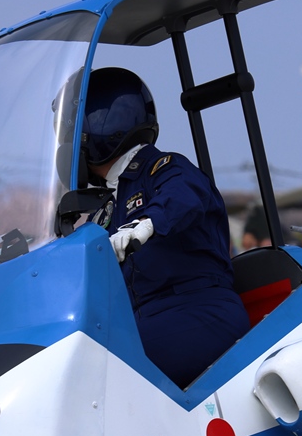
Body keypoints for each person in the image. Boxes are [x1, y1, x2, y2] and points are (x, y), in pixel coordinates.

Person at [81, 67, 249, 388]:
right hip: (144, 321)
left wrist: (146, 225)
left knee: (98, 366)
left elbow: (184, 194)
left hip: (198, 310)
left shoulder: (163, 170)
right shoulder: (106, 205)